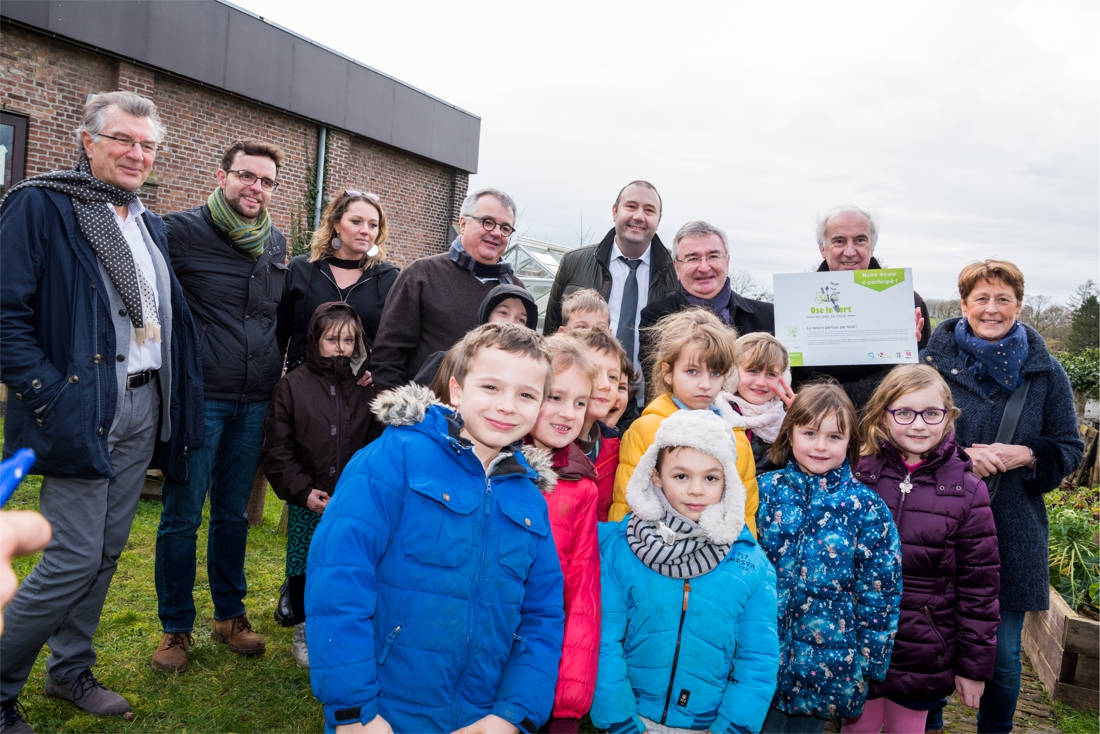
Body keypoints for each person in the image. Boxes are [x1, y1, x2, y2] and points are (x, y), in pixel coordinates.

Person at [0, 90, 202, 728]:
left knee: (109, 549)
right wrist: (47, 394)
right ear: (88, 142)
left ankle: (70, 670)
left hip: (143, 405)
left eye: (147, 145)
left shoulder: (147, 222)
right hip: (79, 408)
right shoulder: (43, 205)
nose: (136, 153)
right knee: (72, 557)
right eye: (122, 140)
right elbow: (6, 314)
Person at [305, 323, 565, 733]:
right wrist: (353, 711)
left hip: (483, 717)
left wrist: (512, 714)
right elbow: (338, 581)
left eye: (526, 395)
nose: (508, 406)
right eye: (492, 388)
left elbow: (543, 615)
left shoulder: (529, 497)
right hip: (386, 712)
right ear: (458, 390)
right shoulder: (395, 457)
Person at [921, 260, 1083, 734]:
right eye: (981, 299)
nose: (991, 309)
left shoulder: (1046, 373)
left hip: (1011, 527)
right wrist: (956, 456)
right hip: (939, 523)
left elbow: (1070, 448)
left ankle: (997, 729)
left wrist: (1030, 454)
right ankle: (928, 726)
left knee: (1003, 653)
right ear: (964, 303)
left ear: (1018, 304)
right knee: (928, 641)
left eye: (1003, 299)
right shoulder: (928, 365)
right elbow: (896, 434)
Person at [153, 139, 289, 672]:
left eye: (266, 180)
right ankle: (175, 627)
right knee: (182, 515)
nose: (256, 188)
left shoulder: (275, 243)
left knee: (232, 515)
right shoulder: (178, 231)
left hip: (253, 401)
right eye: (246, 176)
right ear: (222, 176)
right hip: (200, 398)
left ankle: (229, 616)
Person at [591, 409, 780, 734]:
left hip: (707, 724)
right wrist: (621, 721)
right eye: (681, 476)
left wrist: (732, 728)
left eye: (710, 477)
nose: (696, 489)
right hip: (633, 717)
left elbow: (758, 659)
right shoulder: (620, 549)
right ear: (655, 476)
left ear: (728, 482)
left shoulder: (750, 563)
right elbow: (603, 643)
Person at [840, 364, 1000, 734]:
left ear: (948, 417)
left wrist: (973, 668)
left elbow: (980, 588)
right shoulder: (856, 476)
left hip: (924, 650)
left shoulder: (968, 490)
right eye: (904, 412)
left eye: (931, 413)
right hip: (859, 642)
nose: (918, 424)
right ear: (882, 415)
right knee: (856, 729)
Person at [756, 383, 902, 734]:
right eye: (809, 433)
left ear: (850, 443)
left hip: (828, 665)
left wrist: (868, 664)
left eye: (834, 436)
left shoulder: (866, 508)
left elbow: (880, 593)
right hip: (757, 658)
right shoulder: (761, 491)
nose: (820, 446)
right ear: (789, 434)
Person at [260, 303, 382, 670]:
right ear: (315, 341)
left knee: (353, 566)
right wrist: (301, 490)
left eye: (348, 340)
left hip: (355, 500)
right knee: (305, 566)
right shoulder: (292, 386)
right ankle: (304, 628)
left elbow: (379, 441)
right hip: (310, 497)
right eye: (332, 339)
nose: (341, 347)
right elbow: (277, 447)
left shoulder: (367, 388)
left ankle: (347, 631)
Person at [609, 310, 760, 539]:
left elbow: (744, 512)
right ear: (668, 373)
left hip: (718, 561)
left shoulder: (737, 437)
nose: (705, 384)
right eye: (692, 371)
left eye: (715, 373)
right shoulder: (645, 431)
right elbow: (625, 504)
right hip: (653, 556)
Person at [370, 188, 525, 391]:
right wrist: (399, 416)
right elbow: (388, 355)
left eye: (505, 228)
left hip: (489, 414)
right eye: (487, 222)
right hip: (427, 413)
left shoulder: (515, 291)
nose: (496, 233)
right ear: (463, 223)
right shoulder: (422, 274)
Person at [525, 335, 602, 733]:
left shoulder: (581, 487)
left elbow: (582, 592)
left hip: (537, 660)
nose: (569, 413)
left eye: (579, 402)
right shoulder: (484, 464)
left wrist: (568, 704)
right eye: (555, 397)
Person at [789, 206, 931, 411]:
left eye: (860, 240)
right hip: (817, 420)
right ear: (822, 248)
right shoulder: (796, 300)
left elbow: (920, 377)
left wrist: (912, 351)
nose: (849, 251)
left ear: (871, 247)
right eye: (839, 241)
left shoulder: (907, 301)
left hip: (883, 421)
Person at [543, 181, 679, 387]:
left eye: (649, 211)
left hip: (651, 401)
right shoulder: (573, 263)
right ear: (615, 212)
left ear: (658, 221)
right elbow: (551, 334)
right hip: (585, 394)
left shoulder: (676, 272)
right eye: (631, 206)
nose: (639, 217)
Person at [277, 190, 399, 371]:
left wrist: (378, 375)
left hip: (359, 393)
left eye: (373, 225)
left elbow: (395, 344)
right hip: (302, 389)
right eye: (356, 222)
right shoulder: (301, 269)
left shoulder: (389, 279)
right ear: (337, 224)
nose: (365, 231)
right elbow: (278, 336)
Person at [639, 220, 775, 370]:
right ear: (677, 268)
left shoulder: (769, 317)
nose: (704, 267)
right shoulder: (656, 318)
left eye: (713, 256)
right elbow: (657, 380)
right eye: (693, 258)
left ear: (727, 262)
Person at [412, 283, 538, 387]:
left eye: (521, 319)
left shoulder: (529, 372)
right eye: (503, 312)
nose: (510, 322)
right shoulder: (446, 361)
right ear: (486, 315)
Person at [568, 326, 626, 522]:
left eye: (613, 377)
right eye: (594, 372)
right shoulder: (548, 442)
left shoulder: (614, 447)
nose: (605, 385)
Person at [719, 332, 794, 476]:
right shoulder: (717, 413)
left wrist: (803, 420)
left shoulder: (786, 419)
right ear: (732, 373)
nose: (760, 383)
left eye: (771, 374)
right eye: (752, 371)